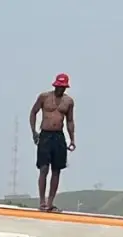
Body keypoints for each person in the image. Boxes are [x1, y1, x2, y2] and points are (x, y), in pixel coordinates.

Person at [29, 73, 76, 212]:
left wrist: (72, 139)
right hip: (45, 135)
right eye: (59, 86)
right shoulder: (44, 97)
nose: (61, 89)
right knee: (44, 168)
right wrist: (34, 132)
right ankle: (42, 202)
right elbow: (33, 112)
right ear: (55, 85)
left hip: (59, 136)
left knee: (57, 169)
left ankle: (50, 202)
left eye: (63, 87)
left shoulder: (68, 102)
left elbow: (70, 120)